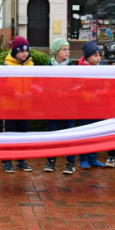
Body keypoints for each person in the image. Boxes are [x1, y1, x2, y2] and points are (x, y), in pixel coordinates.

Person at [1, 35, 34, 173]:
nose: (24, 53)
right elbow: (2, 85)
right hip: (9, 106)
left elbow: (35, 83)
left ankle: (21, 159)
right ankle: (6, 160)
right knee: (9, 133)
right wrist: (14, 94)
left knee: (23, 133)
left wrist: (30, 92)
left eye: (26, 50)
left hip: (25, 106)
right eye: (21, 51)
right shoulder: (7, 65)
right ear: (15, 51)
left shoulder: (31, 65)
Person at [44, 37, 76, 175]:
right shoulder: (47, 68)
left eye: (68, 49)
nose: (67, 52)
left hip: (69, 108)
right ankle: (51, 160)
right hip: (53, 108)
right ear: (56, 51)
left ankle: (70, 162)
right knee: (52, 134)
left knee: (70, 135)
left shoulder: (72, 68)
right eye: (64, 49)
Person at [76, 41, 105, 170]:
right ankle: (83, 159)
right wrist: (88, 95)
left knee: (96, 133)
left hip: (97, 107)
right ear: (87, 57)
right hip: (85, 108)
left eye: (99, 55)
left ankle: (93, 158)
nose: (98, 58)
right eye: (95, 55)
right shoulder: (81, 70)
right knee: (84, 133)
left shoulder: (101, 69)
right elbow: (79, 88)